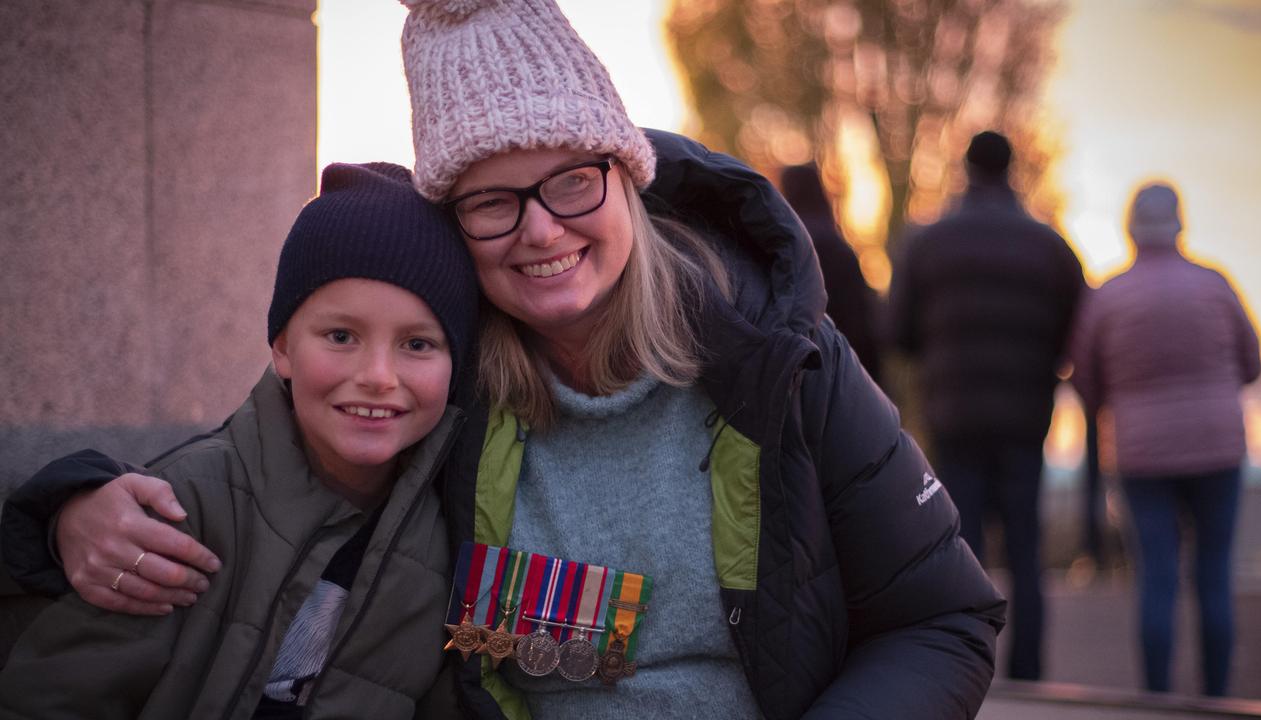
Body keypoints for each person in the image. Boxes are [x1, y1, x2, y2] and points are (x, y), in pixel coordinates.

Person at [1, 1, 1006, 717]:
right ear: (455, 224)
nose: (539, 231)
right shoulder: (442, 392)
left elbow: (940, 619)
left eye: (570, 180)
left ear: (625, 176)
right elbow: (265, 473)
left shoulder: (777, 362)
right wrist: (69, 506)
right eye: (491, 198)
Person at [0, 162, 477, 718]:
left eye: (418, 344)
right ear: (282, 347)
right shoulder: (180, 508)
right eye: (341, 335)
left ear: (457, 365)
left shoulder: (450, 540)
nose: (377, 374)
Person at [887, 130, 1084, 681]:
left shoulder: (929, 241)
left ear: (967, 169)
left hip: (955, 414)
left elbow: (897, 331)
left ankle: (967, 669)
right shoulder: (1049, 246)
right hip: (1025, 416)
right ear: (1012, 169)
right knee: (1026, 545)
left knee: (960, 544)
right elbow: (1078, 328)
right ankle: (1029, 671)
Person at [1069, 182, 1261, 696]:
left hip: (1142, 455)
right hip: (1218, 449)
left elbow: (1085, 380)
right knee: (1214, 574)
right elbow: (1251, 363)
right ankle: (1216, 697)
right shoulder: (1214, 284)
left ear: (1131, 229)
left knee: (1156, 576)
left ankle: (1157, 698)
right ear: (1180, 225)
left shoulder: (1108, 296)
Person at [779, 163, 883, 383]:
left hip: (798, 373)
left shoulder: (782, 249)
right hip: (844, 371)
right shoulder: (840, 248)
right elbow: (861, 322)